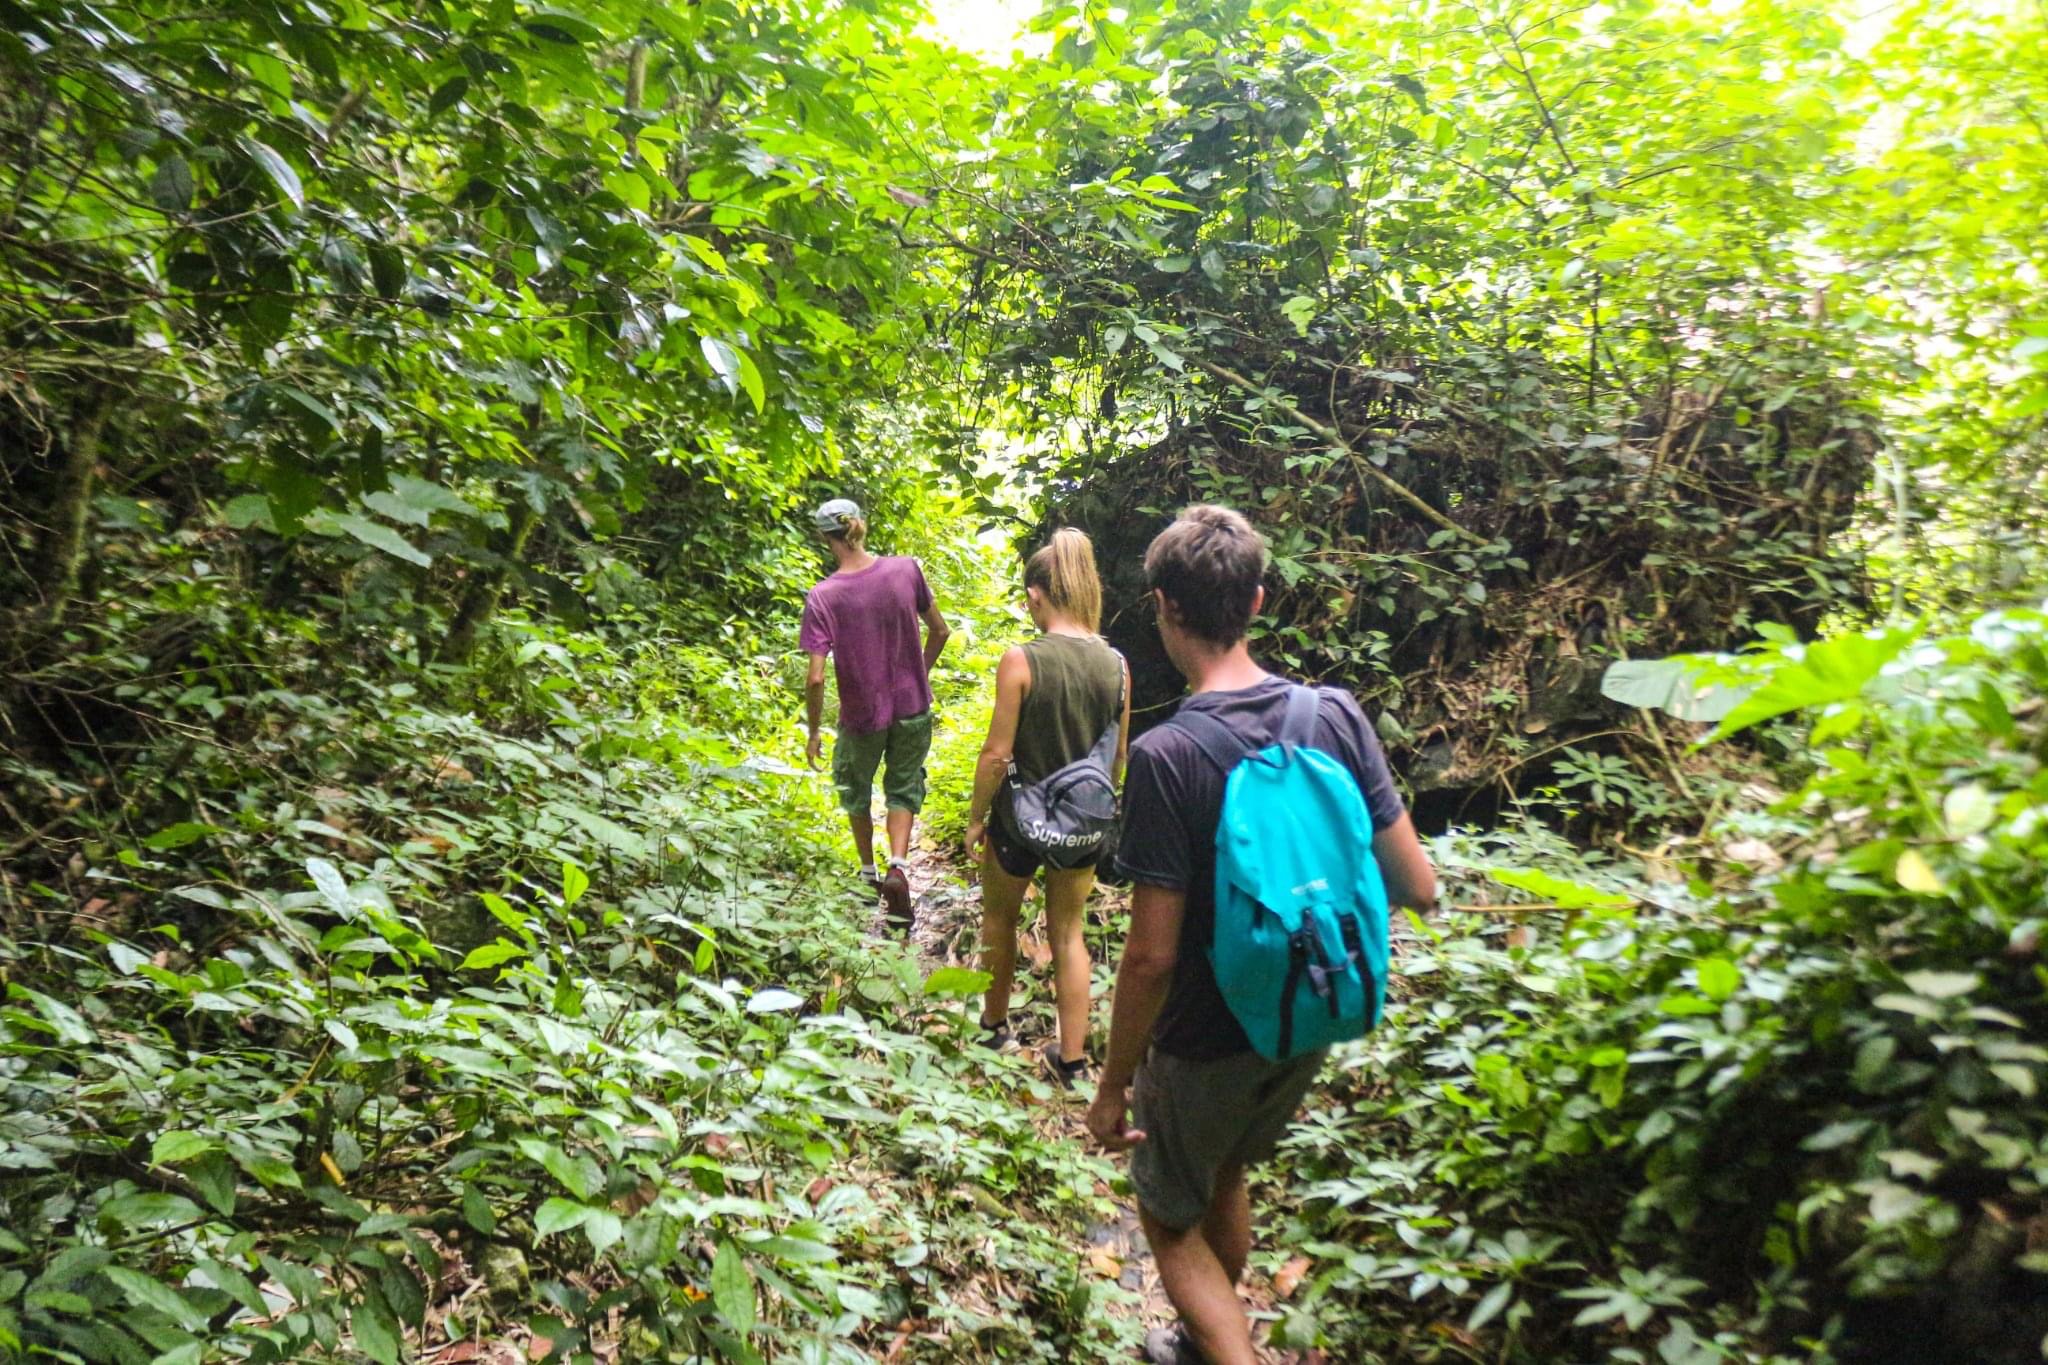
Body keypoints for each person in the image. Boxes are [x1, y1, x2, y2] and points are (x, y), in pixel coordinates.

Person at [1083, 505, 1438, 1365]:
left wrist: (1114, 1081)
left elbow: (1152, 955)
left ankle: (1227, 1349)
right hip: (1310, 1012)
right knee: (1225, 1172)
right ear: (1257, 601)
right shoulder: (1334, 714)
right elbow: (1418, 885)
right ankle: (1204, 1343)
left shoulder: (1168, 755)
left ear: (1164, 606)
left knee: (1168, 1218)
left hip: (1205, 1035)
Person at [962, 529, 1130, 1088]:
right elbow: (1117, 756)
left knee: (999, 918)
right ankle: (1073, 1060)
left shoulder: (1021, 660)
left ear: (1036, 595)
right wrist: (1092, 813)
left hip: (1018, 819)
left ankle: (995, 1028)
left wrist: (976, 818)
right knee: (1068, 932)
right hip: (1082, 822)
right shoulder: (1118, 666)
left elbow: (996, 754)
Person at [801, 498, 951, 927]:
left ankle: (868, 874)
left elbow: (816, 678)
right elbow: (940, 630)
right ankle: (898, 867)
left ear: (825, 537)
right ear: (860, 526)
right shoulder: (906, 570)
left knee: (856, 788)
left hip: (862, 714)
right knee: (904, 786)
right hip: (912, 706)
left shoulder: (824, 596)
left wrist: (814, 731)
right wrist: (918, 675)